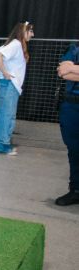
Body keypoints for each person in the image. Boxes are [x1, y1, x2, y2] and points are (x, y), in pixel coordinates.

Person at [0, 21, 34, 156]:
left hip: (8, 85)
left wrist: (2, 72)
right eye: (30, 31)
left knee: (3, 114)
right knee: (7, 115)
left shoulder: (16, 45)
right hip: (9, 85)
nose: (32, 34)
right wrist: (4, 72)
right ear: (23, 32)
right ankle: (3, 145)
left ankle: (0, 143)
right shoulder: (16, 44)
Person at [55, 42, 79, 205]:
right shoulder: (74, 48)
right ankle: (75, 190)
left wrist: (73, 68)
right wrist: (69, 69)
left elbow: (70, 71)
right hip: (72, 107)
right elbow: (63, 72)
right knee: (74, 149)